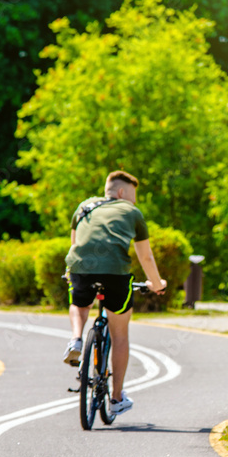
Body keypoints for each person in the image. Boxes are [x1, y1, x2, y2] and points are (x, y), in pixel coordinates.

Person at [63, 170, 167, 415]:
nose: (133, 201)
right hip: (115, 274)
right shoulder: (132, 212)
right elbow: (145, 256)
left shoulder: (84, 207)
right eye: (133, 196)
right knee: (120, 334)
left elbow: (75, 244)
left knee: (79, 304)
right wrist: (157, 283)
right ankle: (118, 398)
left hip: (80, 269)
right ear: (122, 192)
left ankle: (76, 338)